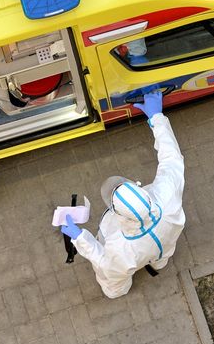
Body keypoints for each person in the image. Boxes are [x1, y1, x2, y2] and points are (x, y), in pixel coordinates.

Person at [59, 89, 186, 298]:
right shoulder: (167, 196)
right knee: (162, 252)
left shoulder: (120, 247)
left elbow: (105, 264)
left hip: (133, 257)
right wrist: (156, 118)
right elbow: (171, 159)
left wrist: (81, 237)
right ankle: (160, 262)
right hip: (165, 241)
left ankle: (118, 292)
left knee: (112, 283)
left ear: (118, 213)